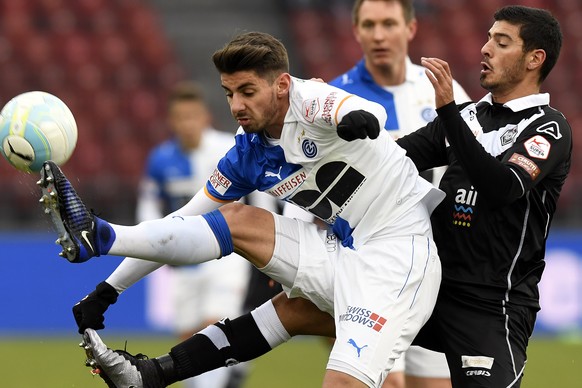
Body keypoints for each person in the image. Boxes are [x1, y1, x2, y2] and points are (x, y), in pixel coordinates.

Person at [65, 5, 570, 388]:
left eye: (499, 42)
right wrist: (110, 285)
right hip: (371, 253)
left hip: (468, 293)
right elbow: (396, 154)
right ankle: (152, 372)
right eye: (229, 93)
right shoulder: (464, 114)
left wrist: (395, 119)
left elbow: (500, 186)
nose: (484, 48)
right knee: (280, 283)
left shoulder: (538, 126)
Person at [41, 31, 445, 387]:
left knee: (316, 343)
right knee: (236, 221)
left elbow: (360, 110)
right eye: (229, 93)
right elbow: (183, 222)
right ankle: (105, 246)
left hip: (398, 254)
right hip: (344, 248)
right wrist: (107, 291)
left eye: (248, 91)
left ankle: (149, 356)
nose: (236, 105)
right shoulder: (247, 153)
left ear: (282, 85)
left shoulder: (309, 100)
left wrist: (355, 120)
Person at [286, 1, 471, 386]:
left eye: (389, 23)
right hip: (370, 265)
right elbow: (305, 178)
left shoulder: (442, 90)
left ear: (411, 29)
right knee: (388, 382)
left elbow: (472, 157)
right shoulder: (334, 99)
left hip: (436, 263)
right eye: (369, 25)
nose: (379, 34)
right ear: (355, 31)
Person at [135, 81, 257, 388]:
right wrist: (156, 244)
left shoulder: (228, 148)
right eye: (181, 117)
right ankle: (230, 375)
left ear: (205, 117)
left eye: (193, 116)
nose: (188, 123)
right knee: (187, 339)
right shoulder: (160, 160)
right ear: (172, 121)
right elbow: (148, 207)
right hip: (183, 261)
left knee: (214, 327)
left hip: (227, 254)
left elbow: (258, 195)